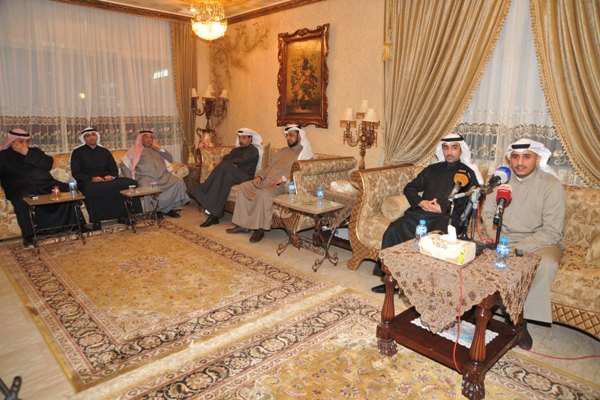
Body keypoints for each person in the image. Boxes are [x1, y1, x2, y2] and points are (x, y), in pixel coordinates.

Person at [371, 133, 483, 293]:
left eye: (454, 148)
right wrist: (420, 202)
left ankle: (426, 287)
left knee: (437, 241)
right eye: (445, 148)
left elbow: (469, 199)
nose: (449, 152)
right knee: (393, 230)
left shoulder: (468, 173)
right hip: (422, 213)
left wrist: (442, 207)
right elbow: (410, 187)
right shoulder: (432, 169)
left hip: (447, 217)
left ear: (461, 150)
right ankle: (391, 279)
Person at [482, 138, 566, 350]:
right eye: (515, 157)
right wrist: (497, 238)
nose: (519, 162)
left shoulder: (551, 185)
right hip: (504, 237)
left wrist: (517, 248)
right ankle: (480, 308)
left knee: (545, 264)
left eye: (526, 157)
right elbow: (488, 214)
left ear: (537, 159)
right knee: (475, 253)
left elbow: (552, 232)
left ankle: (520, 321)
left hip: (541, 241)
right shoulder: (501, 181)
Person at [226, 124, 314, 243]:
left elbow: (301, 172)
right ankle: (243, 225)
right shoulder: (282, 150)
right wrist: (260, 176)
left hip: (282, 186)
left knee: (264, 194)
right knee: (244, 187)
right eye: (287, 136)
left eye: (291, 135)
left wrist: (283, 178)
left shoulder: (303, 153)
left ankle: (259, 229)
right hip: (266, 180)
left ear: (299, 135)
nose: (289, 138)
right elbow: (270, 167)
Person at [0, 128, 85, 246]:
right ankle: (29, 237)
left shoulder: (34, 152)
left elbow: (48, 164)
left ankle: (79, 225)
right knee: (22, 200)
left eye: (26, 141)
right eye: (21, 141)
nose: (25, 144)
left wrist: (27, 153)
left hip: (46, 184)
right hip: (20, 188)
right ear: (12, 142)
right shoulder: (3, 156)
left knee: (70, 189)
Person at [70, 127, 139, 230]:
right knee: (91, 189)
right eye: (88, 136)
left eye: (93, 135)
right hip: (88, 181)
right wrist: (92, 178)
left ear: (97, 136)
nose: (91, 138)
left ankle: (125, 215)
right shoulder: (77, 152)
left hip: (107, 180)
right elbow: (76, 172)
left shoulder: (105, 151)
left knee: (129, 184)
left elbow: (113, 169)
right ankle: (96, 220)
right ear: (84, 139)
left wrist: (111, 176)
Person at [191, 128, 262, 228]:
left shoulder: (253, 150)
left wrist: (227, 163)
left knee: (225, 166)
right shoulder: (237, 150)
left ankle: (202, 189)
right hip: (232, 174)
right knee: (224, 181)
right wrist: (225, 162)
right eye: (240, 138)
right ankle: (214, 215)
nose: (241, 140)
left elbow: (241, 160)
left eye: (244, 138)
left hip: (246, 176)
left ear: (250, 139)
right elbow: (227, 158)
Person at [120, 130, 189, 218]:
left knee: (178, 182)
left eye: (151, 137)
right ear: (141, 138)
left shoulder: (156, 149)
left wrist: (161, 149)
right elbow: (123, 165)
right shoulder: (135, 150)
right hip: (146, 178)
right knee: (147, 187)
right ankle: (153, 211)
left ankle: (167, 209)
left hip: (163, 176)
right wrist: (131, 180)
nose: (149, 139)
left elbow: (170, 159)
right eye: (146, 137)